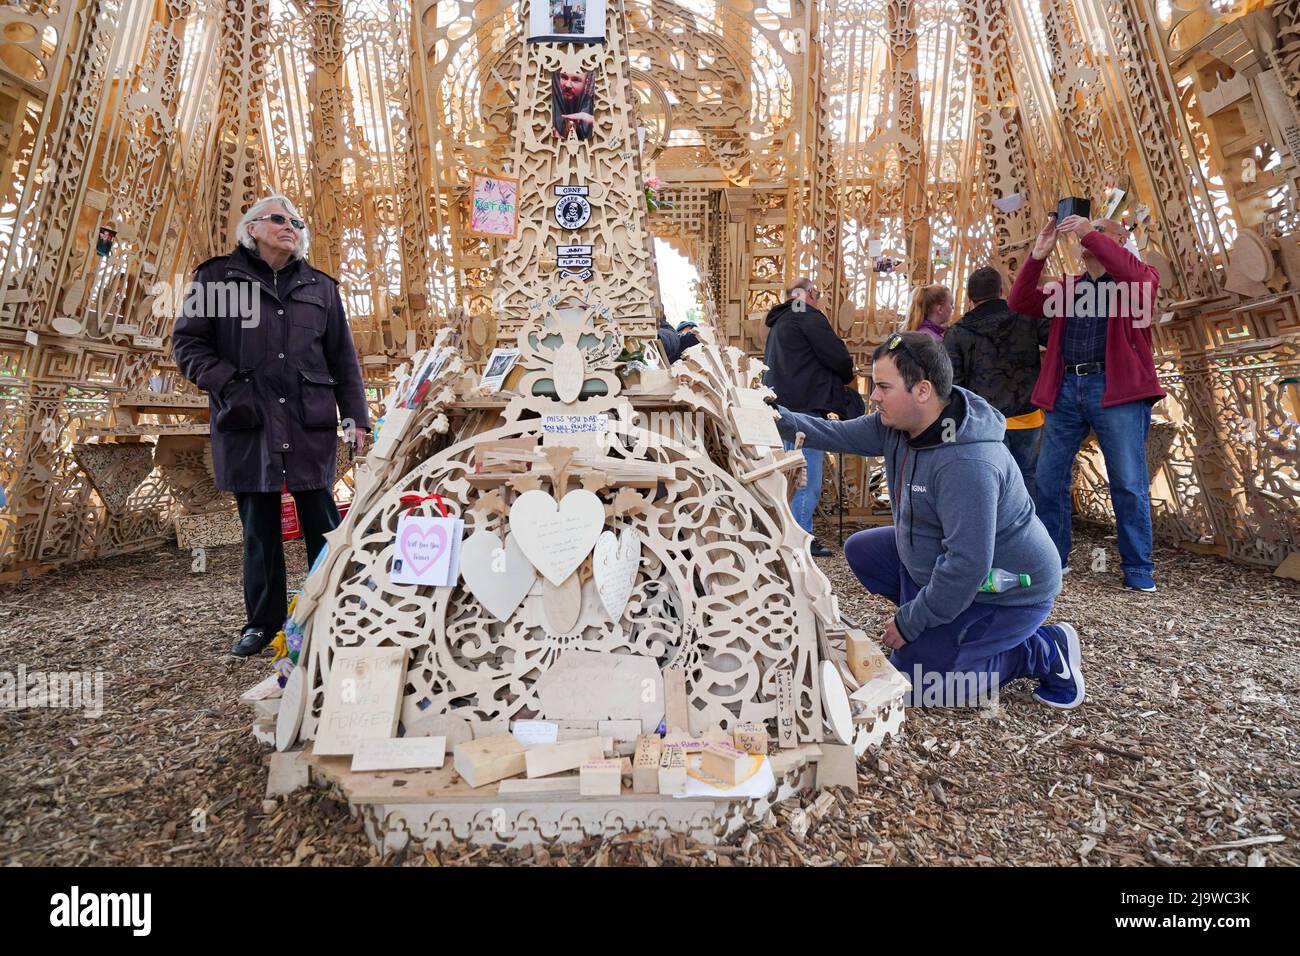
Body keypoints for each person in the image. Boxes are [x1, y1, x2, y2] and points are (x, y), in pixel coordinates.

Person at [775, 332, 1083, 709]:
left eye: (883, 387)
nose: (873, 396)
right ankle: (946, 626)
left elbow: (968, 565)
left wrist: (910, 622)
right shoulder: (896, 426)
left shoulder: (968, 465)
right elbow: (832, 432)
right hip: (955, 565)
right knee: (863, 551)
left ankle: (1042, 651)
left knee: (923, 686)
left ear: (922, 391)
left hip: (1007, 588)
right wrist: (773, 417)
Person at [173, 195, 370, 657]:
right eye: (279, 220)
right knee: (260, 530)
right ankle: (263, 624)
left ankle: (335, 611)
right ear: (253, 229)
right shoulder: (217, 278)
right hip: (249, 420)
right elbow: (187, 344)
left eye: (297, 222)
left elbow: (343, 359)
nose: (291, 227)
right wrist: (230, 385)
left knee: (323, 520)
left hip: (308, 420)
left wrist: (356, 416)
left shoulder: (321, 287)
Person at [1008, 215, 1163, 592]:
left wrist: (1090, 233)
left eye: (1098, 231)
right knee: (1047, 479)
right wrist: (1038, 255)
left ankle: (1138, 568)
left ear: (1120, 240)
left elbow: (1139, 279)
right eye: (1085, 232)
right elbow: (1019, 300)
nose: (1084, 236)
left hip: (1116, 388)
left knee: (1127, 481)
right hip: (1066, 389)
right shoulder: (1069, 288)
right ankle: (1052, 560)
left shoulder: (1138, 279)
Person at [763, 277, 856, 557]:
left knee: (789, 476)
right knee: (805, 478)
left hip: (782, 405)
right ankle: (801, 539)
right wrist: (847, 373)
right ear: (808, 294)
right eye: (817, 294)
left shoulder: (780, 321)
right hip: (804, 408)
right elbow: (837, 356)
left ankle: (790, 535)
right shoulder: (805, 315)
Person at [945, 266, 1050, 499]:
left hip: (984, 422)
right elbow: (1056, 338)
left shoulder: (957, 333)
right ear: (1002, 291)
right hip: (1027, 417)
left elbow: (954, 384)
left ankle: (991, 533)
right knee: (1027, 478)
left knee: (989, 482)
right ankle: (1028, 532)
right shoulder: (1026, 318)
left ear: (969, 298)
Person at [552, 70, 595, 140]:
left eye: (576, 80)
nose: (568, 85)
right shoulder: (550, 104)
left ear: (586, 83)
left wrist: (591, 120)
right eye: (564, 77)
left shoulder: (593, 106)